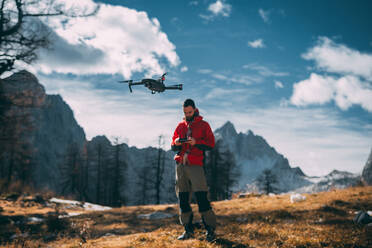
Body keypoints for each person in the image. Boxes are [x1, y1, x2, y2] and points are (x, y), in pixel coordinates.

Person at [171, 98, 217, 241]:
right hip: (181, 166)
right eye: (185, 112)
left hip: (196, 165)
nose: (188, 114)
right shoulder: (180, 126)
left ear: (195, 110)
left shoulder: (204, 125)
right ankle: (188, 230)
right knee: (183, 199)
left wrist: (197, 143)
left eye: (190, 112)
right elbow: (173, 146)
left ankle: (210, 230)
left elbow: (211, 144)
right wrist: (176, 143)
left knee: (202, 197)